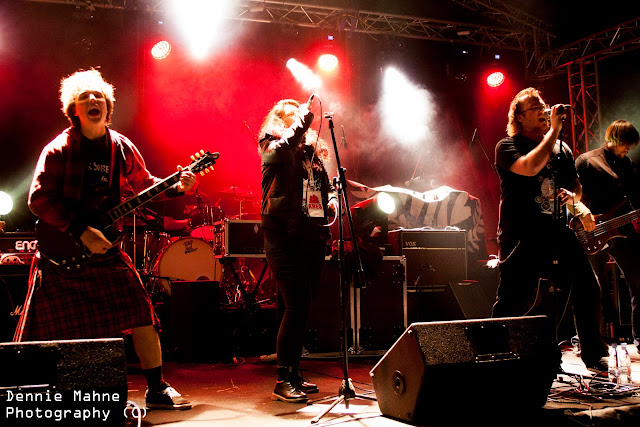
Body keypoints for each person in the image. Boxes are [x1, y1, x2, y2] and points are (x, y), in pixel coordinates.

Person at [14, 69, 196, 410]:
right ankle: (44, 395)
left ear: (107, 106)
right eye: (85, 97)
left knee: (142, 312)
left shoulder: (120, 147)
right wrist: (79, 230)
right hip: (60, 255)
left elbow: (145, 185)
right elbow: (38, 200)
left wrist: (177, 186)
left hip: (106, 253)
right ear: (74, 110)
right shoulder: (59, 149)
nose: (93, 100)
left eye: (98, 96)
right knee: (51, 334)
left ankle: (156, 389)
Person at [492, 87, 608, 370]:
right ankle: (496, 355)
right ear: (519, 117)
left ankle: (594, 354)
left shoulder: (562, 148)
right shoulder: (507, 146)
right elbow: (530, 167)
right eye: (535, 108)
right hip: (522, 233)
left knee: (587, 285)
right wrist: (554, 131)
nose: (543, 111)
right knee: (513, 299)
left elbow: (576, 186)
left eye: (543, 105)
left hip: (556, 230)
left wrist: (573, 198)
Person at [258, 97, 337, 402]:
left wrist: (332, 201)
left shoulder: (311, 154)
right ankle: (282, 378)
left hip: (312, 236)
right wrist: (303, 119)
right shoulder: (271, 145)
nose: (298, 116)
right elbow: (282, 148)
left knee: (304, 308)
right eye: (290, 114)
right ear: (280, 120)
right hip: (283, 237)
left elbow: (325, 187)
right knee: (296, 305)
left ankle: (294, 371)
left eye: (299, 114)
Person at [574, 120, 640, 348]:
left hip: (622, 231)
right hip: (592, 231)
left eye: (630, 145)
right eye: (624, 143)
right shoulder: (587, 161)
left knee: (638, 281)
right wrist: (581, 220)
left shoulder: (629, 166)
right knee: (592, 288)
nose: (627, 148)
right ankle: (589, 341)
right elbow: (573, 196)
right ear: (613, 138)